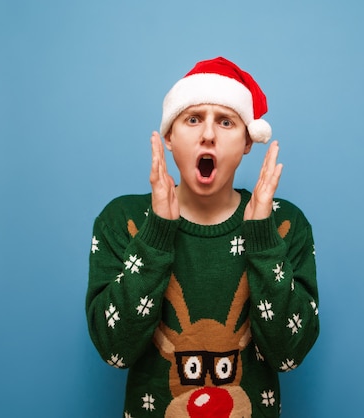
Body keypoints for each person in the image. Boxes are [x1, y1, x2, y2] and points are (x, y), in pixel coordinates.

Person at [86, 57, 319, 418]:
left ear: (246, 142)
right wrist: (157, 233)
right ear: (168, 137)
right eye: (193, 119)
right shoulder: (124, 221)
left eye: (226, 122)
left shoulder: (284, 224)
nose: (208, 134)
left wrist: (262, 239)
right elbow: (115, 350)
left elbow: (288, 355)